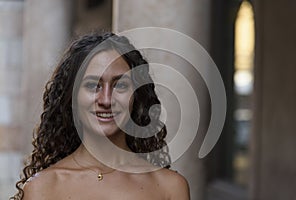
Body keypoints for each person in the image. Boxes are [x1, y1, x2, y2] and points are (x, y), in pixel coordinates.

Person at [11, 32, 190, 200]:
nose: (106, 99)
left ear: (136, 96)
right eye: (92, 85)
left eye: (120, 85)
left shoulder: (170, 188)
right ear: (72, 97)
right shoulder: (42, 188)